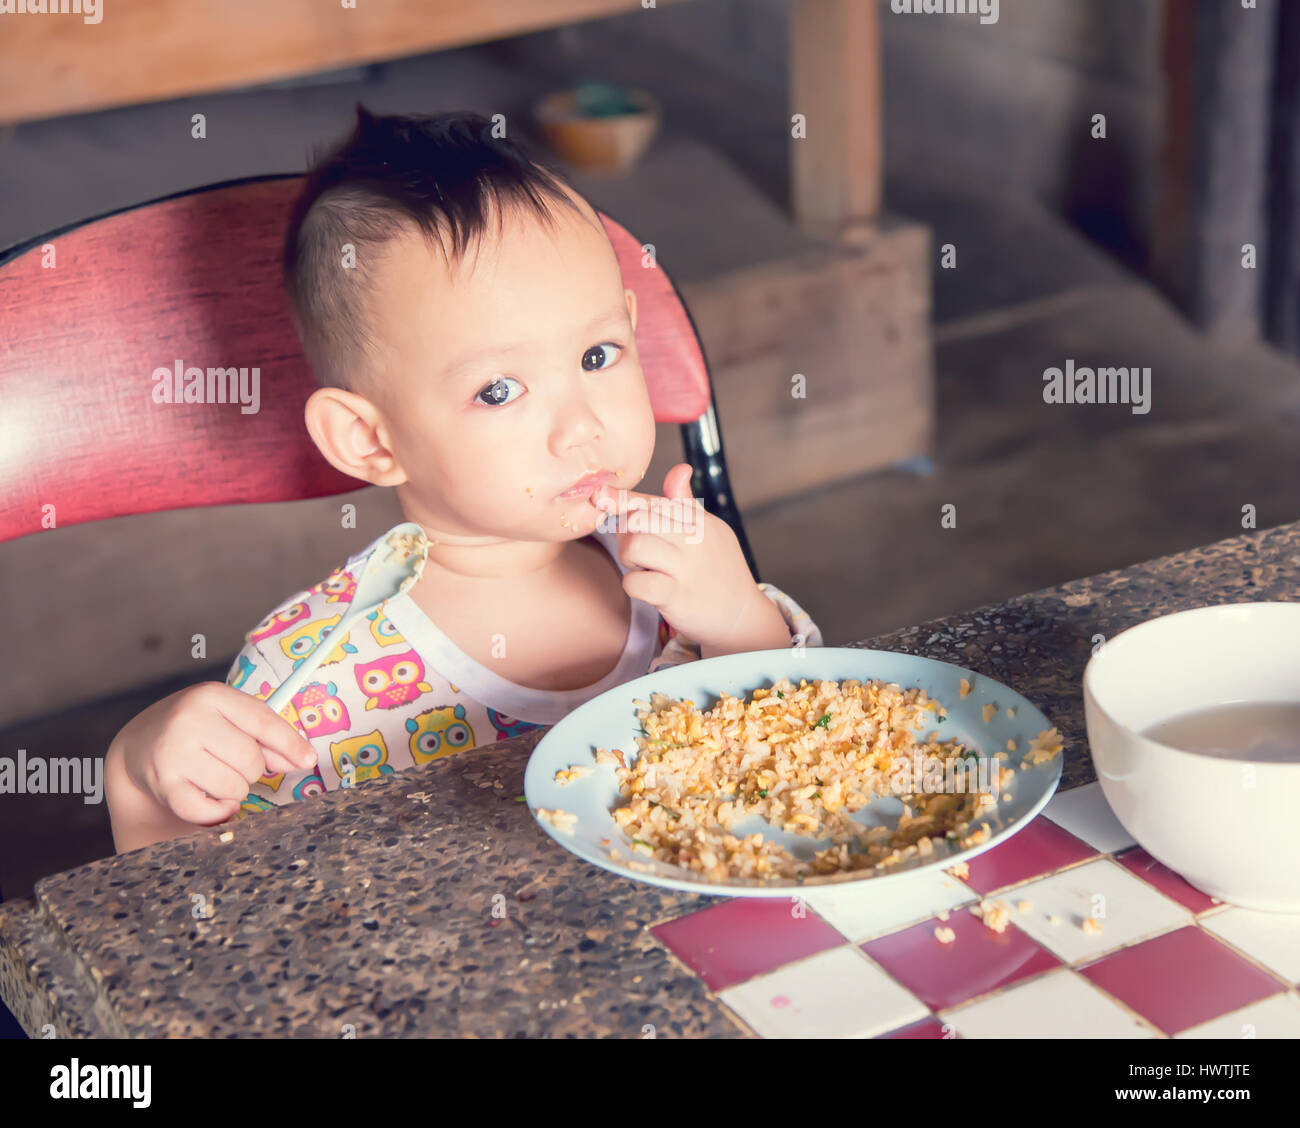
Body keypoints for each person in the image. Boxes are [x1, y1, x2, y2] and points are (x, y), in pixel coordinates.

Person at [104, 107, 823, 854]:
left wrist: (740, 623)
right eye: (498, 390)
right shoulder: (308, 677)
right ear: (370, 440)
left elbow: (804, 769)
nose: (582, 426)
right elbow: (180, 915)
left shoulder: (680, 576)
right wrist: (139, 769)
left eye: (599, 356)